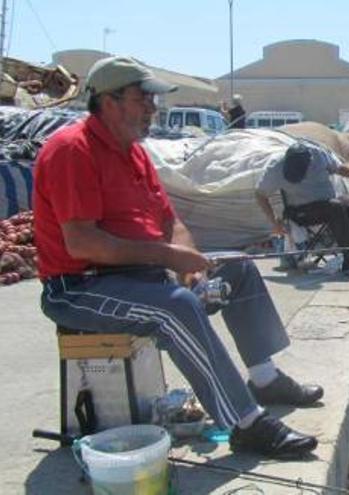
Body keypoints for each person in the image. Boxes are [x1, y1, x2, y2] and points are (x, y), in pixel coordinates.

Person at [33, 56, 321, 459]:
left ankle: (264, 377)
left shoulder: (133, 154)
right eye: (143, 98)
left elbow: (170, 222)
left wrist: (188, 261)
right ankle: (246, 423)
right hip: (80, 288)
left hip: (140, 275)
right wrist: (168, 257)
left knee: (237, 268)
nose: (153, 107)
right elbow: (83, 243)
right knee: (176, 308)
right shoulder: (71, 150)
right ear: (110, 101)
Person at [255, 141, 349, 277]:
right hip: (301, 211)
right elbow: (260, 194)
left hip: (330, 201)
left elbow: (339, 168)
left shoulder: (317, 154)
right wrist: (274, 222)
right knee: (335, 207)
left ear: (309, 161)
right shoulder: (276, 167)